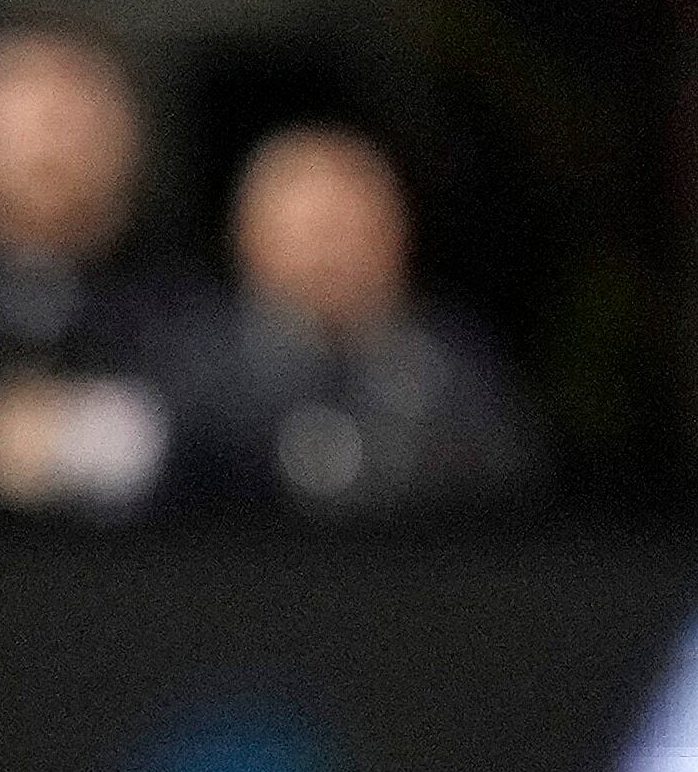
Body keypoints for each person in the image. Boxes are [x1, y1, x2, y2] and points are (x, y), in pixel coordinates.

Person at [160, 124, 545, 518]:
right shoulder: (193, 369)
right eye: (314, 231)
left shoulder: (454, 367)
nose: (335, 255)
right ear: (249, 237)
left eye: (357, 230)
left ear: (400, 237)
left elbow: (510, 488)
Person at [0, 26, 198, 518]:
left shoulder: (190, 313)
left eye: (77, 106)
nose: (49, 129)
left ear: (131, 138)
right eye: (21, 99)